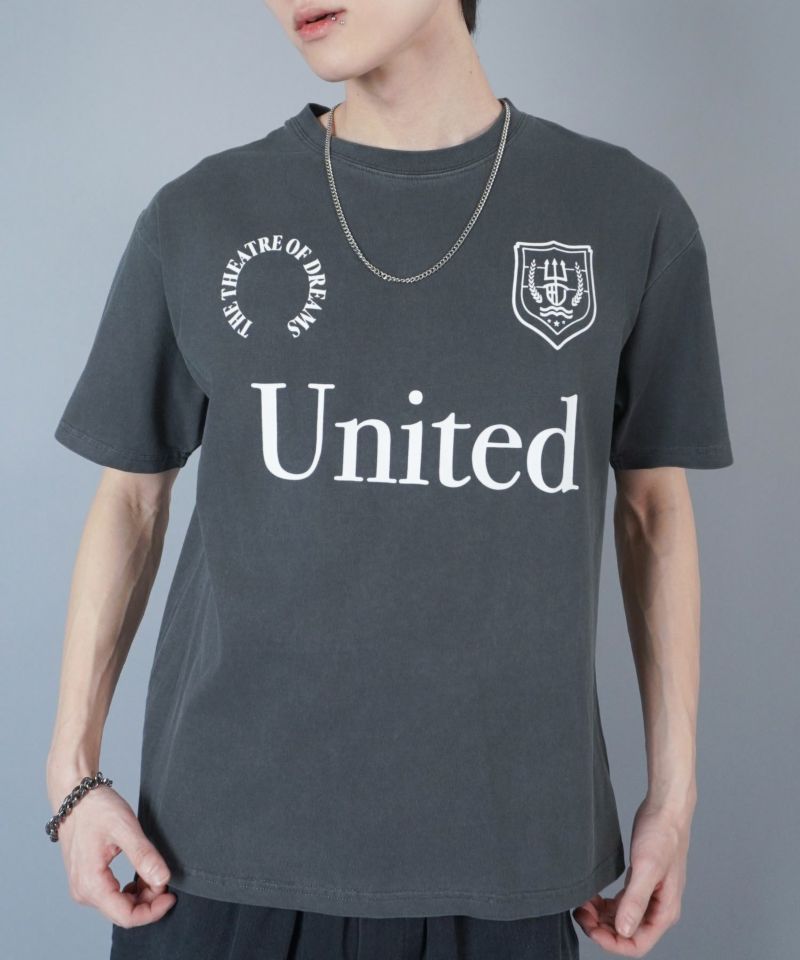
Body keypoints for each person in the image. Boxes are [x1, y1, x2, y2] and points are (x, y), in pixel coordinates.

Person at [45, 1, 734, 958]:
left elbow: (654, 512)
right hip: (212, 862)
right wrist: (72, 775)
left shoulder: (626, 214)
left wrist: (674, 795)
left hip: (503, 865)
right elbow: (130, 496)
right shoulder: (201, 214)